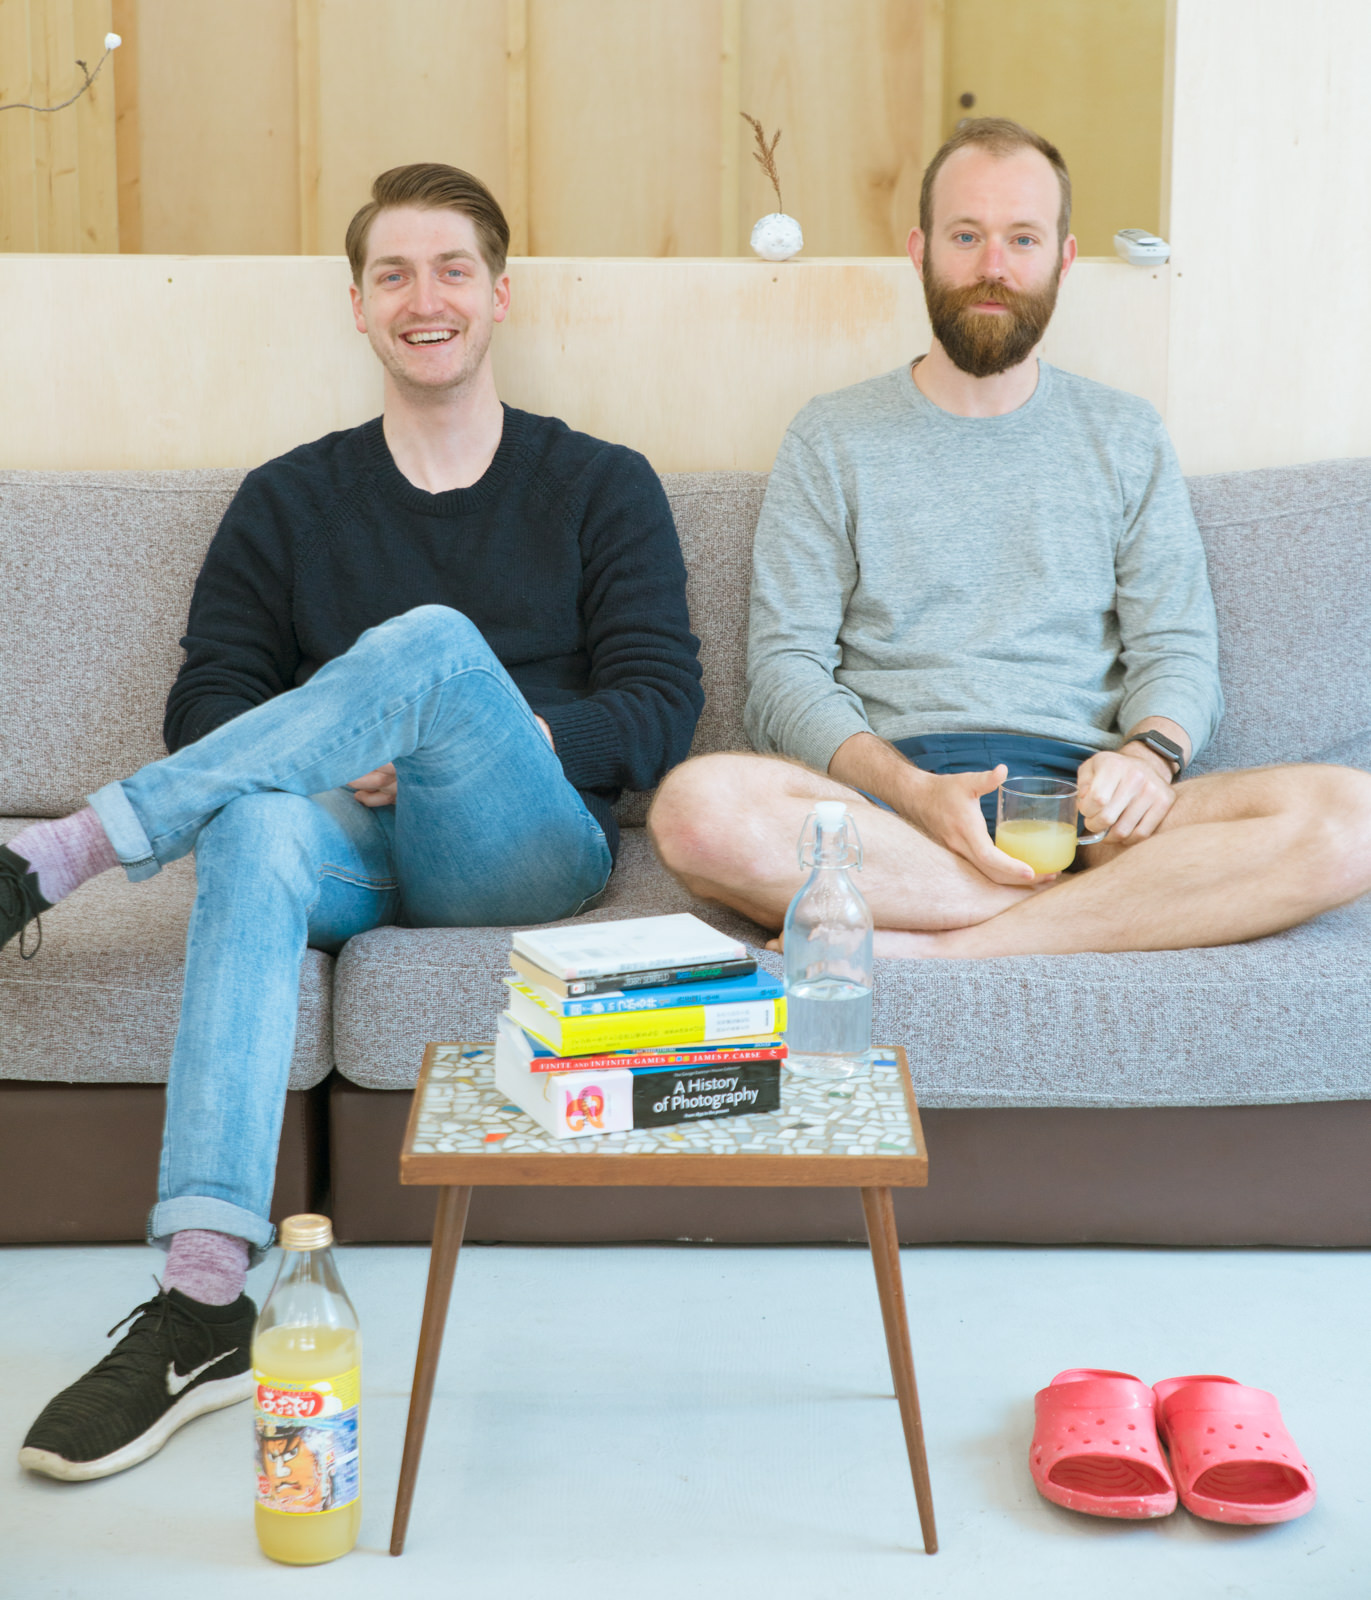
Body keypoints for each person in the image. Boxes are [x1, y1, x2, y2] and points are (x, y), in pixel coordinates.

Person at [7, 163, 702, 1480]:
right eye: (393, 273)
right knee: (256, 830)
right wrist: (346, 749)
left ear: (500, 294)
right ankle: (203, 1300)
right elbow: (208, 702)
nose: (423, 297)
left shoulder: (599, 483)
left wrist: (479, 725)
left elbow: (662, 706)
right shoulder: (288, 498)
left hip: (522, 844)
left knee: (433, 647)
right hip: (348, 847)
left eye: (451, 270)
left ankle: (68, 851)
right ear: (357, 303)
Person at [648, 118, 1371, 957]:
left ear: (1062, 259)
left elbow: (1176, 648)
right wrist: (914, 794)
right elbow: (784, 673)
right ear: (919, 251)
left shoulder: (1125, 434)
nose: (993, 265)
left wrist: (1145, 759)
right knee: (695, 809)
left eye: (1022, 238)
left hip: (1085, 814)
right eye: (966, 236)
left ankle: (954, 943)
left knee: (1352, 817)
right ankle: (1089, 912)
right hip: (891, 809)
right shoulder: (830, 435)